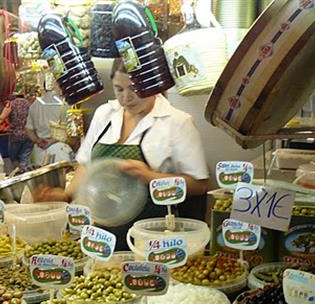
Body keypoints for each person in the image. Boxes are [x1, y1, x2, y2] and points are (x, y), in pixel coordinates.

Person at [36, 58, 209, 248]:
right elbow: (86, 164)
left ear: (153, 85)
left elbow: (199, 184)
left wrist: (151, 177)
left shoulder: (177, 122)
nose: (126, 98)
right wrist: (66, 194)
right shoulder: (105, 114)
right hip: (101, 233)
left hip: (152, 237)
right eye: (119, 89)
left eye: (134, 89)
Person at [24, 87, 72, 166]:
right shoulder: (64, 104)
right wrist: (52, 141)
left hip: (39, 151)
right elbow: (69, 131)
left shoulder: (35, 104)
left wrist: (37, 140)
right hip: (59, 151)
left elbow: (28, 129)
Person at [0, 95, 34, 172]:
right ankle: (24, 174)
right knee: (25, 158)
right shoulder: (29, 103)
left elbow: (1, 118)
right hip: (29, 135)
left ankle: (18, 172)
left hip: (16, 136)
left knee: (14, 158)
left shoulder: (11, 104)